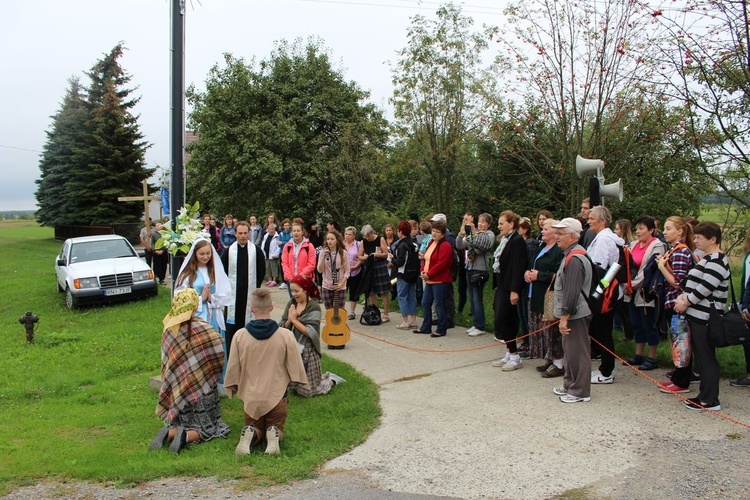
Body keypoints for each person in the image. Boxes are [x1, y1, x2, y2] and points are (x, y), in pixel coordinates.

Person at [224, 289, 308, 455]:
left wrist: (233, 387)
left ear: (252, 309)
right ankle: (274, 434)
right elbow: (295, 366)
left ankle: (251, 432)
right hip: (277, 396)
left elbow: (233, 368)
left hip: (250, 397)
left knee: (255, 426)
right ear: (272, 307)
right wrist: (297, 382)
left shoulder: (240, 336)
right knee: (276, 427)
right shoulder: (285, 335)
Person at [150, 288, 229, 453]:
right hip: (201, 391)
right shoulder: (202, 327)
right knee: (208, 428)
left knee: (179, 422)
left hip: (179, 389)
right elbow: (218, 348)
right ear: (194, 306)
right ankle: (186, 437)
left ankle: (169, 432)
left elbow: (167, 362)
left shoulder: (169, 329)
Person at [673, 222, 730, 411]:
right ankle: (704, 394)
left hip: (705, 317)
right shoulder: (708, 259)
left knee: (706, 358)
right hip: (696, 315)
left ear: (713, 239)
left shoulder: (718, 261)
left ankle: (710, 399)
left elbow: (705, 288)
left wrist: (685, 301)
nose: (695, 240)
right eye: (695, 237)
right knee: (701, 357)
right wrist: (683, 297)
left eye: (699, 238)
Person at [550, 218, 594, 403]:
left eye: (560, 234)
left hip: (576, 313)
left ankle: (580, 391)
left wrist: (564, 317)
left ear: (571, 236)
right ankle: (570, 384)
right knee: (570, 350)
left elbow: (572, 292)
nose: (556, 237)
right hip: (573, 312)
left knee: (578, 351)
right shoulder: (571, 254)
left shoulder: (575, 258)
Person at [281, 275, 346, 396]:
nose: (293, 294)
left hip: (309, 350)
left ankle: (331, 380)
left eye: (296, 291)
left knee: (309, 392)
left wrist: (294, 320)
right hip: (293, 347)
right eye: (292, 291)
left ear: (305, 290)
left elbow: (311, 332)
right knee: (294, 388)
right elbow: (281, 326)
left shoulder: (314, 307)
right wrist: (289, 320)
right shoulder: (291, 304)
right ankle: (312, 378)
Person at [655, 216, 696, 393]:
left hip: (678, 303)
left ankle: (681, 382)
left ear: (680, 231)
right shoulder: (675, 250)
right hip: (673, 302)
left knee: (682, 343)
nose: (664, 232)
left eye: (668, 228)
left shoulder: (680, 251)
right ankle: (678, 377)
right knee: (678, 342)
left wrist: (662, 267)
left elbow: (678, 282)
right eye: (664, 228)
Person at [586, 205, 624, 385]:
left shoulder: (603, 240)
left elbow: (598, 268)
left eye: (592, 218)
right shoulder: (608, 237)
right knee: (601, 331)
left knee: (603, 332)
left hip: (604, 293)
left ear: (602, 221)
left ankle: (607, 371)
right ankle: (604, 367)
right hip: (608, 291)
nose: (588, 221)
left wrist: (596, 293)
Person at [623, 217, 666, 371]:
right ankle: (638, 354)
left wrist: (632, 285)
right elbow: (625, 266)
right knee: (636, 323)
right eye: (637, 228)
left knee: (649, 324)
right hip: (631, 291)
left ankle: (653, 357)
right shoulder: (632, 245)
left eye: (642, 228)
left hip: (646, 291)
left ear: (651, 230)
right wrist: (625, 284)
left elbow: (649, 270)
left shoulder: (658, 246)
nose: (638, 231)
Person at [221, 221, 266, 361]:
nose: (243, 236)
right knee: (232, 330)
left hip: (249, 295)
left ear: (249, 233)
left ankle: (250, 358)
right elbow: (223, 271)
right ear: (235, 234)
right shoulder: (229, 252)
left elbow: (261, 271)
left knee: (249, 328)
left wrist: (255, 287)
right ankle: (232, 358)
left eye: (245, 233)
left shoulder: (256, 251)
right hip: (232, 298)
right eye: (240, 233)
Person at [525, 218, 564, 375]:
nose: (542, 230)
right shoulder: (541, 246)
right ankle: (549, 358)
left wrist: (539, 275)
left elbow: (559, 274)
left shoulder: (558, 251)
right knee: (543, 330)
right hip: (535, 293)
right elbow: (533, 265)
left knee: (553, 330)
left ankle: (559, 362)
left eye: (546, 229)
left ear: (555, 233)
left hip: (549, 295)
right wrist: (527, 272)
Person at [175, 238, 232, 343]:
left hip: (214, 317)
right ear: (195, 254)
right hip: (195, 318)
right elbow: (178, 298)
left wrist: (211, 298)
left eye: (208, 253)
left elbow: (227, 295)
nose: (206, 257)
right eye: (201, 254)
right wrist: (201, 298)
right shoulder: (187, 274)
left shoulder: (216, 272)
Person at [490, 211, 528, 370]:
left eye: (501, 223)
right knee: (501, 320)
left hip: (509, 287)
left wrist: (515, 290)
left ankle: (515, 356)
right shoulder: (506, 240)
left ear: (511, 224)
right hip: (502, 285)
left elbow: (518, 267)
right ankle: (509, 352)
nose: (499, 227)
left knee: (505, 320)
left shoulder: (517, 241)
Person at [413, 219, 453, 337]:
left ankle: (441, 329)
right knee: (425, 303)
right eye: (433, 231)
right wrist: (422, 271)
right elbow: (426, 258)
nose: (434, 233)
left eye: (437, 232)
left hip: (440, 280)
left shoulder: (445, 245)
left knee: (439, 304)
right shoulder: (431, 243)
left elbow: (441, 264)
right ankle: (426, 326)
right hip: (429, 279)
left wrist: (429, 274)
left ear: (443, 234)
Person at [456, 213, 494, 337]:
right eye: (479, 221)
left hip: (479, 269)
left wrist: (472, 235)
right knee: (472, 298)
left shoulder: (489, 235)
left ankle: (480, 325)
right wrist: (462, 233)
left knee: (477, 299)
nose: (480, 224)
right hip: (469, 267)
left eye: (483, 222)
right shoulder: (475, 234)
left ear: (488, 224)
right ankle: (476, 323)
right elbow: (460, 245)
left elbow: (478, 249)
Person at [359, 224, 391, 321]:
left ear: (372, 232)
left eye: (368, 236)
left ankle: (386, 314)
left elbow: (385, 254)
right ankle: (374, 313)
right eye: (365, 236)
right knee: (371, 291)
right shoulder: (363, 242)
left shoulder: (380, 239)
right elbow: (359, 256)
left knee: (383, 291)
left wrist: (376, 254)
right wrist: (366, 257)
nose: (367, 238)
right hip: (369, 267)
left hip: (380, 265)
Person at [391, 220, 419, 330]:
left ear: (401, 231)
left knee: (402, 297)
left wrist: (392, 258)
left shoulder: (401, 245)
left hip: (403, 274)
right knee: (411, 297)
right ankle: (413, 320)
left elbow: (400, 262)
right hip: (413, 274)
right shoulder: (414, 244)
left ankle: (405, 321)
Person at [280, 221, 317, 297]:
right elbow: (284, 263)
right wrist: (290, 277)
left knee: (305, 304)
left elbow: (311, 264)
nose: (296, 233)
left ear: (302, 232)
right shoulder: (287, 246)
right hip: (291, 280)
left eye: (298, 231)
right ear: (292, 233)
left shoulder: (309, 246)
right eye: (294, 231)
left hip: (305, 279)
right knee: (293, 303)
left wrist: (299, 277)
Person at [317, 229, 350, 309]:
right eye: (328, 239)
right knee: (329, 311)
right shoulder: (322, 252)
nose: (329, 241)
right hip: (327, 285)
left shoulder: (343, 253)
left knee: (340, 310)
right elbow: (319, 270)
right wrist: (323, 258)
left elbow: (347, 271)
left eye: (332, 239)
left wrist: (341, 283)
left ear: (337, 240)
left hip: (340, 286)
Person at [456, 213, 475, 316]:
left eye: (467, 219)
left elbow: (471, 243)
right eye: (463, 219)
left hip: (472, 264)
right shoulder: (462, 232)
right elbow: (458, 245)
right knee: (461, 289)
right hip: (462, 264)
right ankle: (459, 310)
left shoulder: (475, 232)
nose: (464, 221)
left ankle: (473, 310)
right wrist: (461, 234)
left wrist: (469, 232)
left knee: (472, 290)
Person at [343, 227, 363, 320]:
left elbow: (361, 257)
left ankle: (352, 312)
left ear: (354, 235)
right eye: (346, 234)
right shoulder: (341, 244)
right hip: (343, 272)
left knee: (353, 292)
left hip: (355, 271)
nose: (347, 236)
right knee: (342, 291)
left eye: (349, 234)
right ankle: (341, 310)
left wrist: (356, 266)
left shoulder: (358, 244)